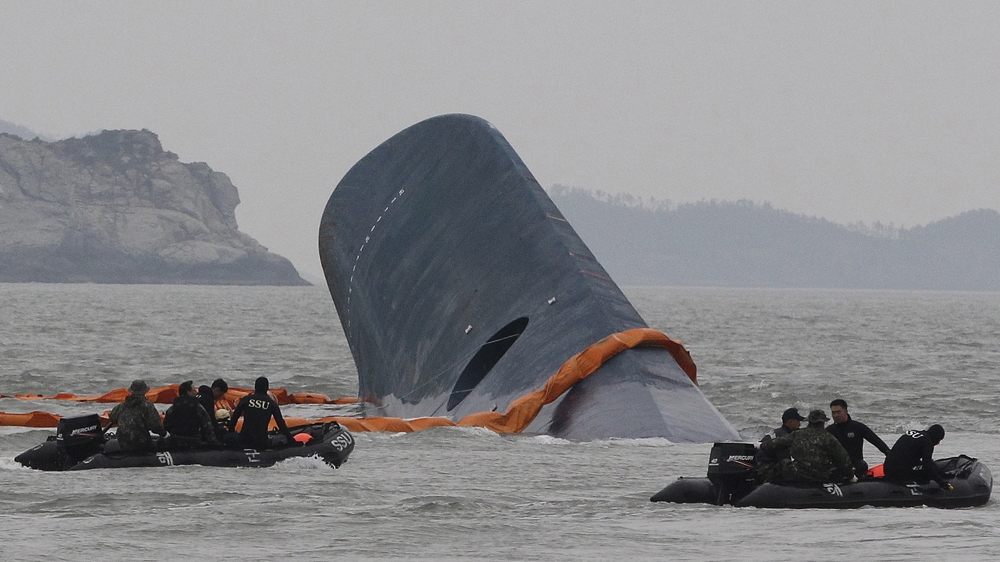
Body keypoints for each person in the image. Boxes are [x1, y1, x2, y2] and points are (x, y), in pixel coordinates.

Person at [759, 409, 856, 484]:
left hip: (798, 474)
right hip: (820, 476)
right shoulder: (829, 438)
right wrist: (851, 476)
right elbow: (843, 459)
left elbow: (776, 443)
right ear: (823, 422)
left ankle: (768, 485)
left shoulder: (798, 434)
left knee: (783, 463)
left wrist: (761, 445)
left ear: (809, 421)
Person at [826, 398, 891, 475]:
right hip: (837, 466)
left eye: (838, 412)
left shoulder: (857, 427)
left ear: (846, 411)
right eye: (833, 413)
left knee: (862, 465)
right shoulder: (829, 431)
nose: (836, 415)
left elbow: (876, 441)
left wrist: (889, 454)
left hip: (856, 465)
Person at [227, 376, 293, 450]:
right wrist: (291, 440)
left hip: (244, 440)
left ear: (255, 387)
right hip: (262, 442)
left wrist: (231, 432)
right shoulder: (272, 404)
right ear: (267, 388)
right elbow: (281, 424)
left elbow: (234, 418)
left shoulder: (246, 399)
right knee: (282, 438)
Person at [883, 424, 952, 490]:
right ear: (935, 438)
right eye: (939, 440)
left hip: (887, 469)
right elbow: (927, 465)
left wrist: (940, 473)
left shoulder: (914, 433)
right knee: (927, 472)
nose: (938, 443)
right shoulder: (927, 442)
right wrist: (942, 483)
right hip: (898, 473)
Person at [108, 379, 165, 453]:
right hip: (141, 444)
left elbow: (112, 417)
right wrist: (165, 434)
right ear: (145, 391)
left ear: (131, 391)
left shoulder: (121, 406)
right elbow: (155, 426)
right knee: (162, 444)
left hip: (122, 443)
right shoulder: (147, 406)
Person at [755, 407, 806, 483]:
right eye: (798, 421)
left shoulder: (777, 432)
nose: (799, 424)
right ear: (791, 422)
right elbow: (785, 460)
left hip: (762, 466)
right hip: (767, 470)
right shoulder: (784, 438)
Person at [163, 380, 218, 449]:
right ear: (188, 392)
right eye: (194, 390)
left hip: (176, 442)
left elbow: (166, 426)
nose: (196, 393)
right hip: (193, 442)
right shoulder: (197, 406)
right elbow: (207, 426)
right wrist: (213, 443)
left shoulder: (173, 407)